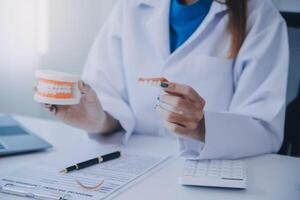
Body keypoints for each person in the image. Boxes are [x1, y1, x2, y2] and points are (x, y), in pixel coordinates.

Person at [44, 0, 289, 159]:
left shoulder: (260, 16)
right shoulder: (129, 8)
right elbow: (108, 101)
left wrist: (201, 126)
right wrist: (96, 119)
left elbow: (266, 130)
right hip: (132, 162)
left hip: (212, 170)